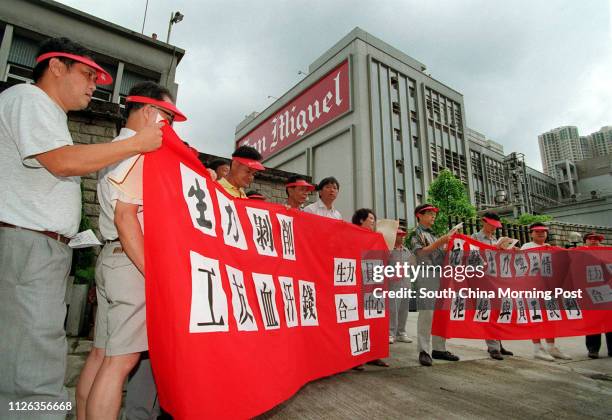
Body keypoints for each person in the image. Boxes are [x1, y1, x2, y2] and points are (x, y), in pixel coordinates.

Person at [0, 37, 162, 413]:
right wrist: (138, 143)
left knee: (31, 358)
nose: (95, 85)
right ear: (56, 67)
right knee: (34, 371)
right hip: (29, 243)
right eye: (88, 74)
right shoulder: (30, 99)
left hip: (40, 246)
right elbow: (63, 162)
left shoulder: (48, 113)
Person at [75, 81, 186, 419]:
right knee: (120, 362)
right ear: (150, 111)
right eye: (166, 117)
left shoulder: (114, 149)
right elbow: (128, 219)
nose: (167, 126)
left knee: (101, 356)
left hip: (112, 258)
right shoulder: (141, 152)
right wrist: (155, 276)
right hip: (132, 261)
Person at [409, 204, 460, 366]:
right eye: (429, 214)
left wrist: (449, 244)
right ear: (419, 216)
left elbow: (439, 254)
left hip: (440, 275)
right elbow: (421, 252)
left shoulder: (433, 234)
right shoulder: (415, 234)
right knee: (427, 313)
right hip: (426, 276)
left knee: (441, 313)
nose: (433, 216)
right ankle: (424, 350)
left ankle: (439, 348)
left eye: (434, 214)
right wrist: (441, 242)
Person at [521, 222, 571, 361]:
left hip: (549, 288)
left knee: (551, 317)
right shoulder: (527, 248)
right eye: (537, 232)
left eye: (543, 231)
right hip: (532, 288)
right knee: (536, 318)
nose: (541, 233)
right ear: (531, 233)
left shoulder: (552, 249)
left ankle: (551, 347)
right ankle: (538, 348)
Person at [471, 212, 514, 360]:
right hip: (482, 280)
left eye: (496, 226)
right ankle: (493, 347)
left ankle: (499, 344)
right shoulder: (474, 238)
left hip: (497, 280)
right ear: (484, 222)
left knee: (498, 312)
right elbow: (471, 259)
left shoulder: (496, 239)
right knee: (487, 312)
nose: (494, 228)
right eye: (492, 225)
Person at [351, 208, 390, 368]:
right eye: (371, 219)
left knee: (375, 319)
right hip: (356, 284)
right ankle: (357, 357)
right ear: (361, 220)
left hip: (374, 284)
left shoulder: (376, 238)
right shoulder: (351, 234)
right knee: (358, 321)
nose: (374, 222)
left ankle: (374, 354)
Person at [583, 232, 611, 359]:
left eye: (596, 239)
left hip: (607, 291)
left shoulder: (606, 253)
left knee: (610, 321)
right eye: (591, 239)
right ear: (585, 241)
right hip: (588, 292)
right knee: (592, 322)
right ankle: (593, 349)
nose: (594, 241)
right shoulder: (578, 253)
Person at [388, 228, 413, 344]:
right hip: (393, 284)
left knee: (404, 309)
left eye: (403, 235)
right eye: (399, 235)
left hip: (406, 284)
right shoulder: (389, 250)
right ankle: (390, 333)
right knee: (393, 309)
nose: (402, 237)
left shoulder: (407, 251)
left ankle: (401, 333)